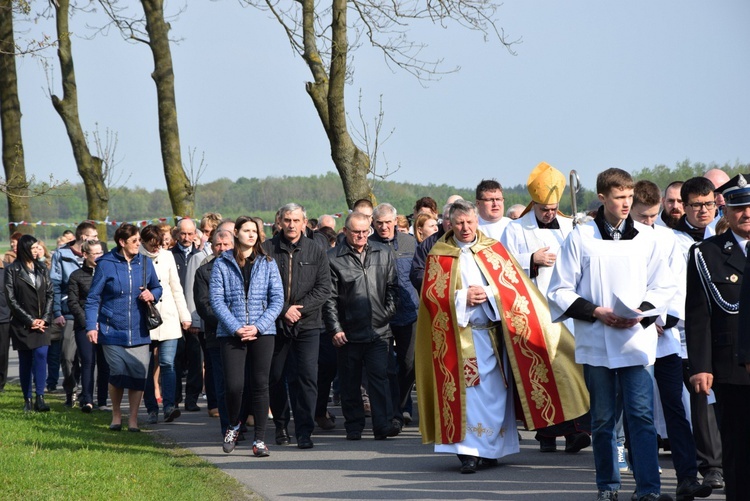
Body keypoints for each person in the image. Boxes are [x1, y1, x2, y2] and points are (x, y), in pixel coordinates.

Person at [415, 200, 588, 474]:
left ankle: (491, 449)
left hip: (494, 336)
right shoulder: (440, 254)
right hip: (460, 339)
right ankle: (468, 452)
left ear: (476, 222)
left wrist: (491, 293)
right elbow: (431, 297)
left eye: (470, 222)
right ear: (450, 223)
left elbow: (513, 288)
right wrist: (460, 297)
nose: (465, 228)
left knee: (496, 395)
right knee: (468, 396)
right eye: (459, 223)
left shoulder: (493, 250)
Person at [547, 168, 677, 501]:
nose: (625, 203)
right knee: (603, 420)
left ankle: (648, 488)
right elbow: (559, 289)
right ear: (602, 197)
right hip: (597, 340)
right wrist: (596, 312)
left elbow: (663, 286)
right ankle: (608, 485)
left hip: (635, 342)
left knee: (641, 417)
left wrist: (641, 312)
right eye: (619, 197)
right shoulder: (581, 237)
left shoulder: (648, 238)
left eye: (629, 196)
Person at [631, 181, 712, 501]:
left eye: (653, 216)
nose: (649, 222)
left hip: (664, 339)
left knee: (675, 408)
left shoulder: (668, 238)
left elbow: (679, 285)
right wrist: (643, 315)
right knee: (637, 414)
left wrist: (666, 318)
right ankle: (639, 479)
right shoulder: (617, 241)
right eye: (642, 217)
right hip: (632, 339)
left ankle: (687, 477)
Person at [501, 162, 590, 454]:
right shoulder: (515, 229)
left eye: (553, 208)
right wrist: (531, 259)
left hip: (569, 311)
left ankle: (576, 429)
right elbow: (503, 269)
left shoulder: (572, 227)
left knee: (572, 370)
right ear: (534, 203)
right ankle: (548, 432)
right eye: (543, 208)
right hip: (536, 311)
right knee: (545, 372)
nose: (549, 213)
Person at [686, 173, 750, 501]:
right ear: (726, 211)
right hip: (732, 367)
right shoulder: (706, 254)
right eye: (739, 206)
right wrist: (700, 365)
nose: (747, 212)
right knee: (738, 448)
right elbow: (698, 316)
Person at [210, 216, 283, 457]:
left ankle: (260, 439)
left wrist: (259, 326)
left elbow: (277, 300)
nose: (251, 235)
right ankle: (233, 425)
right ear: (236, 234)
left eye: (255, 231)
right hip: (232, 333)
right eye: (246, 230)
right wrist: (236, 327)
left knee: (261, 385)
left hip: (263, 333)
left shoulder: (268, 262)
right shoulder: (222, 263)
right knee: (234, 385)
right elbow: (216, 301)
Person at [323, 211, 399, 441]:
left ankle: (382, 425)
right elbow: (329, 298)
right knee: (350, 382)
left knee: (380, 379)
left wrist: (384, 315)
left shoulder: (384, 253)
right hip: (348, 331)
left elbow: (393, 290)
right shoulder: (332, 257)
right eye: (356, 232)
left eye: (366, 231)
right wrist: (335, 328)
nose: (361, 236)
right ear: (345, 231)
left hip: (379, 330)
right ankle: (354, 426)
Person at [263, 203, 331, 450]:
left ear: (304, 223)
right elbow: (260, 288)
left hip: (308, 324)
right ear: (279, 222)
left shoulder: (316, 250)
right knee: (276, 376)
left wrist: (298, 309)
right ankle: (281, 426)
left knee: (306, 378)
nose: (291, 225)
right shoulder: (266, 249)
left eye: (296, 220)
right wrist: (283, 310)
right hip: (275, 324)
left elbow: (324, 288)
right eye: (287, 220)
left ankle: (304, 431)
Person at [85, 223, 162, 432]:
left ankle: (134, 420)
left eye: (139, 241)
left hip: (139, 330)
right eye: (135, 241)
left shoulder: (145, 263)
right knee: (118, 373)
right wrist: (92, 326)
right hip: (111, 330)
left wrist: (152, 294)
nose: (139, 244)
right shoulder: (106, 264)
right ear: (122, 242)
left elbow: (157, 286)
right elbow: (93, 298)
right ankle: (117, 414)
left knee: (138, 375)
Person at [672, 176, 723, 489]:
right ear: (685, 207)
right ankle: (712, 466)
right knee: (702, 400)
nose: (703, 211)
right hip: (691, 330)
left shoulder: (725, 232)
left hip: (728, 330)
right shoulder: (673, 239)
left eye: (708, 204)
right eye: (696, 205)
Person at [370, 203, 419, 433]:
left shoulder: (411, 243)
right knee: (387, 367)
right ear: (373, 223)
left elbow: (420, 273)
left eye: (387, 222)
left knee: (409, 365)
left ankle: (401, 405)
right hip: (380, 316)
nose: (383, 227)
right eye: (379, 223)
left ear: (395, 222)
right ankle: (395, 415)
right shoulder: (368, 245)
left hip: (410, 313)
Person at [139, 225, 192, 425]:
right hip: (145, 319)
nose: (156, 249)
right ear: (143, 242)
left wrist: (184, 316)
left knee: (168, 363)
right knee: (147, 367)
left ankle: (170, 406)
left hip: (168, 317)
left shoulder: (168, 256)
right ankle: (152, 408)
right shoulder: (137, 257)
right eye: (152, 245)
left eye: (159, 244)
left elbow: (176, 287)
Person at [49, 221, 99, 406]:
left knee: (86, 357)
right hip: (68, 311)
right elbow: (54, 284)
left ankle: (86, 395)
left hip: (91, 314)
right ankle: (70, 390)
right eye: (94, 236)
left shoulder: (98, 258)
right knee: (67, 356)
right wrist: (56, 311)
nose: (97, 240)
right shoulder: (61, 255)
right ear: (84, 237)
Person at [5, 235, 54, 412]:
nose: (36, 251)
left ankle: (40, 397)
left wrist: (45, 319)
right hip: (22, 324)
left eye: (37, 247)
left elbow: (50, 294)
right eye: (33, 248)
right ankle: (27, 399)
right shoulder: (12, 270)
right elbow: (11, 299)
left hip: (42, 322)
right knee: (25, 361)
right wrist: (29, 320)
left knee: (41, 356)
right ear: (24, 248)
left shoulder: (42, 268)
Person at [194, 228, 235, 437]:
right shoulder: (203, 272)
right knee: (222, 383)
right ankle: (228, 427)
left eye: (226, 244)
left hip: (242, 335)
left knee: (240, 383)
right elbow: (203, 304)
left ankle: (240, 421)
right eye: (218, 245)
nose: (222, 248)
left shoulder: (244, 268)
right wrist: (227, 323)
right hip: (216, 334)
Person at [183, 212, 223, 418]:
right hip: (204, 318)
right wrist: (194, 320)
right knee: (202, 361)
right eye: (205, 231)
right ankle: (209, 401)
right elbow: (191, 290)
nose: (207, 235)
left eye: (212, 231)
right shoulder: (199, 257)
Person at [68, 239, 110, 413]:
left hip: (105, 324)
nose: (99, 256)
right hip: (84, 326)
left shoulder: (107, 273)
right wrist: (88, 324)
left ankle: (102, 400)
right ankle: (87, 399)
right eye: (95, 253)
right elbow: (73, 302)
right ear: (85, 255)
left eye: (101, 252)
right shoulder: (76, 276)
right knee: (87, 362)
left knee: (104, 364)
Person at [170, 217, 202, 412]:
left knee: (196, 359)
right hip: (173, 315)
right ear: (176, 234)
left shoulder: (200, 256)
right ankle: (173, 398)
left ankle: (192, 398)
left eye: (190, 233)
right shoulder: (169, 256)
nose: (186, 237)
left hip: (194, 314)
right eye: (183, 233)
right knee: (175, 359)